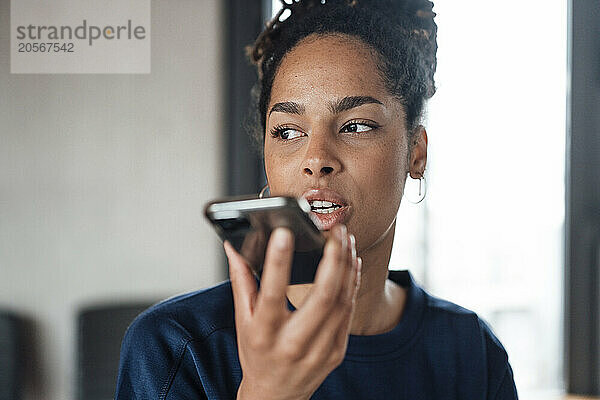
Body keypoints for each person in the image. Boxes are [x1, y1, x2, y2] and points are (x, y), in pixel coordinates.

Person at [115, 1, 519, 399]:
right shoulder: (174, 348)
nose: (316, 159)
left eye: (356, 125)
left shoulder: (472, 353)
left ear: (416, 153)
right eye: (289, 132)